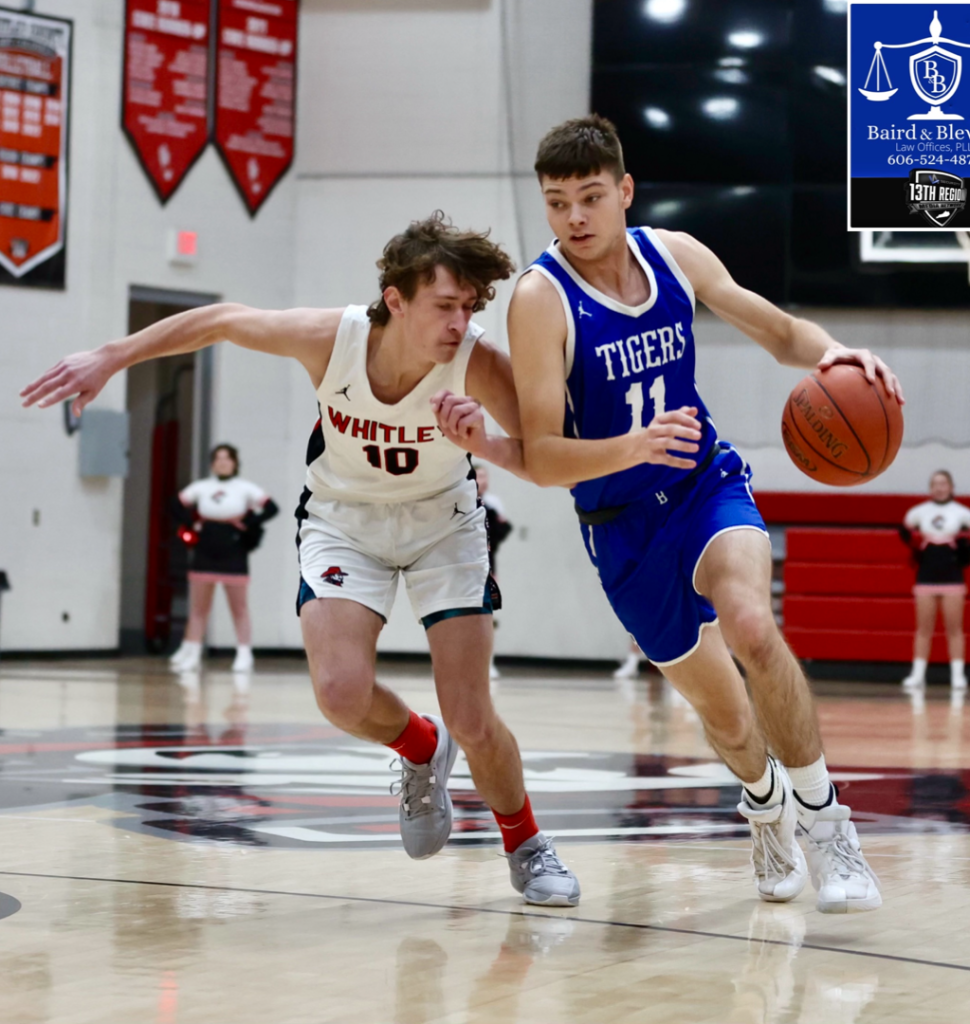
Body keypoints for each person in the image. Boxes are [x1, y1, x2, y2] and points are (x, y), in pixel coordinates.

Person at [19, 212, 580, 907]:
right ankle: (420, 747)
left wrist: (488, 445)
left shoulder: (478, 362)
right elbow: (223, 319)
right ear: (396, 299)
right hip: (344, 522)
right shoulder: (332, 338)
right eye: (445, 305)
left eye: (469, 307)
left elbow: (550, 460)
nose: (460, 322)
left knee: (473, 716)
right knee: (341, 694)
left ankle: (526, 844)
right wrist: (112, 355)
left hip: (444, 527)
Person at [505, 114, 905, 913]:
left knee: (752, 625)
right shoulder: (540, 299)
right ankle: (764, 804)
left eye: (590, 197)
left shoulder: (675, 255)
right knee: (724, 715)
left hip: (702, 486)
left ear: (625, 191)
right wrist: (632, 446)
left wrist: (835, 354)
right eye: (557, 202)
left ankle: (828, 824)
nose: (574, 217)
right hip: (621, 526)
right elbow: (542, 456)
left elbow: (779, 332)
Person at [170, 443, 279, 673]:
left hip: (233, 550)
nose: (222, 462)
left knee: (239, 607)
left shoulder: (245, 488)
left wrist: (249, 523)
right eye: (218, 458)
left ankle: (244, 653)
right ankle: (193, 652)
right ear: (212, 463)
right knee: (199, 608)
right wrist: (190, 521)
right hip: (205, 549)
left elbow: (271, 508)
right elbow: (175, 504)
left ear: (235, 463)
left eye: (227, 458)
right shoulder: (201, 487)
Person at [899, 471, 970, 692]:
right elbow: (905, 532)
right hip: (926, 576)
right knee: (923, 628)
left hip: (952, 577)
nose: (939, 487)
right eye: (935, 484)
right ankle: (917, 675)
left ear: (951, 487)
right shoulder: (918, 512)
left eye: (943, 483)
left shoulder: (963, 513)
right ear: (930, 488)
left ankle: (958, 675)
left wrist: (964, 553)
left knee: (955, 628)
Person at [473, 463, 512, 681]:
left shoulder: (493, 504)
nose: (483, 480)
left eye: (485, 476)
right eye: (478, 476)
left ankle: (488, 664)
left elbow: (501, 532)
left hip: (488, 565)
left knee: (487, 615)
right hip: (463, 566)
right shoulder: (459, 501)